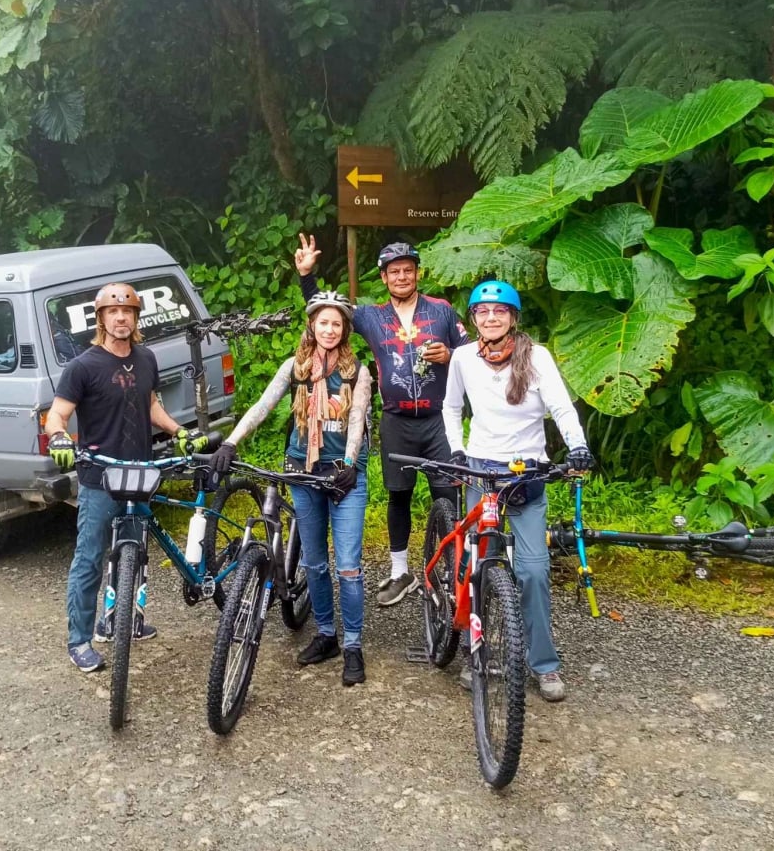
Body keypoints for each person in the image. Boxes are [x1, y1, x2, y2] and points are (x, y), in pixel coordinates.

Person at [209, 291, 374, 686]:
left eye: (336, 323)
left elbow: (357, 419)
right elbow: (263, 406)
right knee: (314, 562)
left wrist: (350, 465)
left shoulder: (358, 372)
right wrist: (232, 441)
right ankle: (326, 635)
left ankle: (353, 644)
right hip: (303, 470)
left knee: (348, 567)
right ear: (312, 326)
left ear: (345, 329)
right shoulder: (296, 367)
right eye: (323, 323)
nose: (329, 330)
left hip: (343, 475)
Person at [441, 279, 595, 702]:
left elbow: (561, 407)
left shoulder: (537, 357)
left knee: (533, 570)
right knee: (477, 568)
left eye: (499, 311)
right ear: (473, 319)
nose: (491, 318)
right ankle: (478, 655)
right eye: (483, 312)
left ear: (513, 318)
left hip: (527, 474)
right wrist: (456, 449)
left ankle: (544, 664)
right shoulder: (462, 359)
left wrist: (577, 445)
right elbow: (451, 407)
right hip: (480, 472)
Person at [294, 235, 466, 607]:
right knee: (398, 496)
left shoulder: (442, 311)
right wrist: (307, 276)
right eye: (394, 272)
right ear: (384, 278)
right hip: (396, 418)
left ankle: (453, 571)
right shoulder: (370, 316)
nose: (402, 277)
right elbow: (326, 313)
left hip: (439, 419)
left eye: (408, 270)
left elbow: (472, 352)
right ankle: (400, 571)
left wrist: (450, 354)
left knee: (447, 494)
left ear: (418, 273)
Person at [45, 282, 205, 674]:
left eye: (128, 312)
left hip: (141, 472)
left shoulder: (146, 358)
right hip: (100, 476)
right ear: (101, 318)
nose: (121, 318)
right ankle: (80, 639)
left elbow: (150, 404)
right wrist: (60, 438)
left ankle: (122, 620)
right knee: (90, 558)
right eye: (113, 312)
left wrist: (177, 431)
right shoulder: (83, 366)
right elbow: (56, 415)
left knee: (133, 552)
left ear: (136, 319)